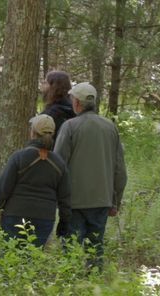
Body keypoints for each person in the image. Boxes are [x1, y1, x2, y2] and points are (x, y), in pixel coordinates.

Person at [54, 82, 127, 268]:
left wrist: (55, 199)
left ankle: (69, 285)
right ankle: (94, 286)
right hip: (102, 201)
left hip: (73, 202)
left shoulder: (69, 127)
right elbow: (120, 170)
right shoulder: (110, 127)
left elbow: (58, 164)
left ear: (77, 103)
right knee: (95, 251)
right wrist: (115, 201)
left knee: (69, 250)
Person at [0, 114, 71, 247]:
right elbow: (65, 199)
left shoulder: (18, 157)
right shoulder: (59, 164)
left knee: (12, 258)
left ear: (33, 133)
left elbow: (3, 190)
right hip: (44, 218)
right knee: (33, 259)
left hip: (15, 215)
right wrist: (64, 224)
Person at [40, 70, 76, 141]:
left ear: (53, 87)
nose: (42, 86)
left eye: (45, 83)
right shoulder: (75, 111)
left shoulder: (49, 115)